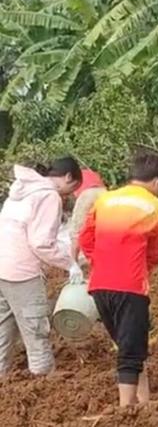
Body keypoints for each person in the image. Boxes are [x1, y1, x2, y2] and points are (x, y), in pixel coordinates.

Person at [79, 151, 158, 407]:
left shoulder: (104, 200)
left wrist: (103, 262)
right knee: (131, 352)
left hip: (99, 285)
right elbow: (153, 253)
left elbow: (86, 239)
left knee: (128, 343)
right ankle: (125, 411)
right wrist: (141, 270)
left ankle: (144, 402)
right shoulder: (156, 206)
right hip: (130, 285)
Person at [0, 158, 84, 376]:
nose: (67, 195)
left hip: (2, 266)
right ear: (68, 177)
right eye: (71, 188)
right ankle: (43, 385)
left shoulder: (20, 189)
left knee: (3, 331)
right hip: (22, 273)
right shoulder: (48, 196)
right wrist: (71, 264)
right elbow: (41, 243)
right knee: (36, 331)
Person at [68, 168, 106, 265]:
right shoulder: (93, 173)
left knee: (76, 233)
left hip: (87, 194)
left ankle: (74, 265)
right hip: (104, 193)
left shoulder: (72, 174)